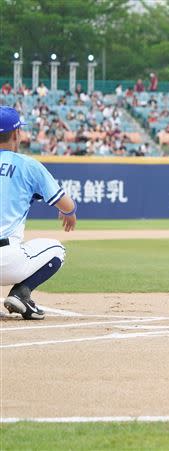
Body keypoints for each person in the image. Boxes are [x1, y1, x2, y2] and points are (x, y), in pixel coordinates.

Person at [0, 106, 77, 320]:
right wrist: (70, 213)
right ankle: (21, 294)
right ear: (17, 133)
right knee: (57, 249)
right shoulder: (27, 165)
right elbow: (66, 204)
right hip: (7, 261)